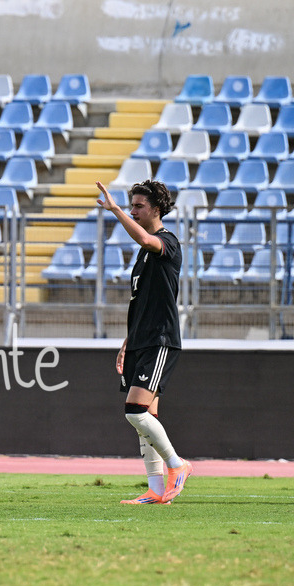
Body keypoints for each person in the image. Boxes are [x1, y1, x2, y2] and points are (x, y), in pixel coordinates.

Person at [97, 179, 191, 504]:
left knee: (135, 411)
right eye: (131, 205)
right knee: (145, 420)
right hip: (140, 340)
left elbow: (144, 237)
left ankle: (177, 466)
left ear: (156, 208)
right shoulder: (143, 254)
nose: (134, 210)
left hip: (160, 340)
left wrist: (115, 210)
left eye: (139, 206)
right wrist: (127, 341)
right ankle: (155, 489)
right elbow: (142, 301)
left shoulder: (167, 242)